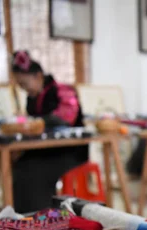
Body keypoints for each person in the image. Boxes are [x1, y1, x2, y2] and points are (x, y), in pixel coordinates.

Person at [11, 50, 87, 213]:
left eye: (25, 84)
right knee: (21, 164)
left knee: (33, 169)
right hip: (46, 149)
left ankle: (40, 218)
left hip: (70, 150)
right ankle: (23, 217)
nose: (24, 90)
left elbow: (66, 119)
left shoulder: (62, 91)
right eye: (20, 86)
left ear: (38, 76)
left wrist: (38, 123)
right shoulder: (32, 98)